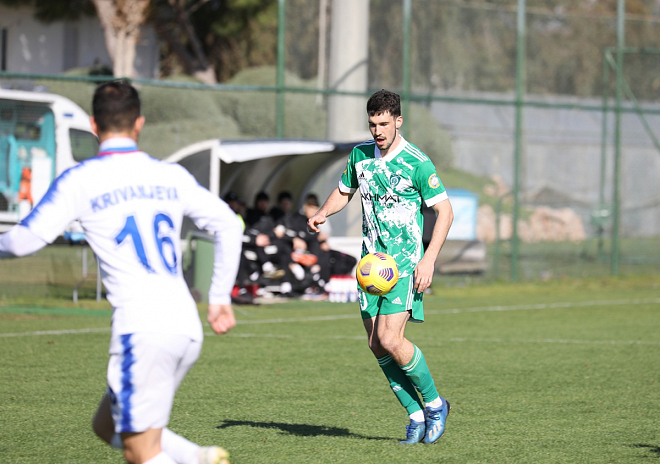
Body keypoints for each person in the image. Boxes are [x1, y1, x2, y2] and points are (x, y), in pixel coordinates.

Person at [0, 80, 242, 464]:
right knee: (108, 425)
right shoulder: (170, 175)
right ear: (139, 123)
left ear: (94, 125)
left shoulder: (81, 179)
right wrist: (218, 297)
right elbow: (229, 224)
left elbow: (21, 241)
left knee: (140, 451)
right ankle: (198, 457)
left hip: (142, 329)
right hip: (184, 325)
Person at [307, 89, 454, 445]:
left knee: (390, 339)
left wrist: (429, 259)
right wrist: (323, 212)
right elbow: (344, 191)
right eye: (373, 124)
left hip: (404, 265)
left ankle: (435, 405)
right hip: (370, 265)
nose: (377, 131)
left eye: (384, 124)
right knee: (376, 344)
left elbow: (445, 212)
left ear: (398, 121)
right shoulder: (360, 156)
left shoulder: (417, 162)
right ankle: (415, 415)